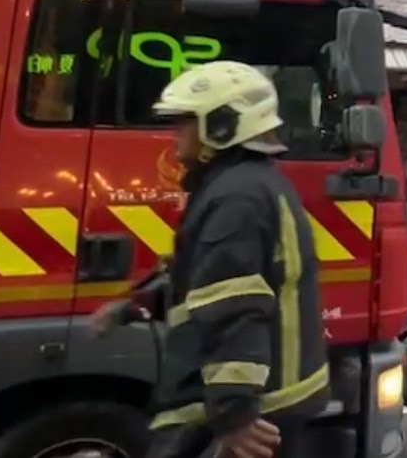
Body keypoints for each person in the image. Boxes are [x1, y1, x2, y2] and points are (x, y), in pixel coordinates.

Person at [91, 61, 329, 458]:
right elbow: (202, 282)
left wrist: (234, 415)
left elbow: (234, 305)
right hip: (273, 398)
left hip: (258, 411)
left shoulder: (236, 197)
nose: (175, 137)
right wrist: (137, 306)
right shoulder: (245, 186)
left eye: (185, 123)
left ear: (221, 127)